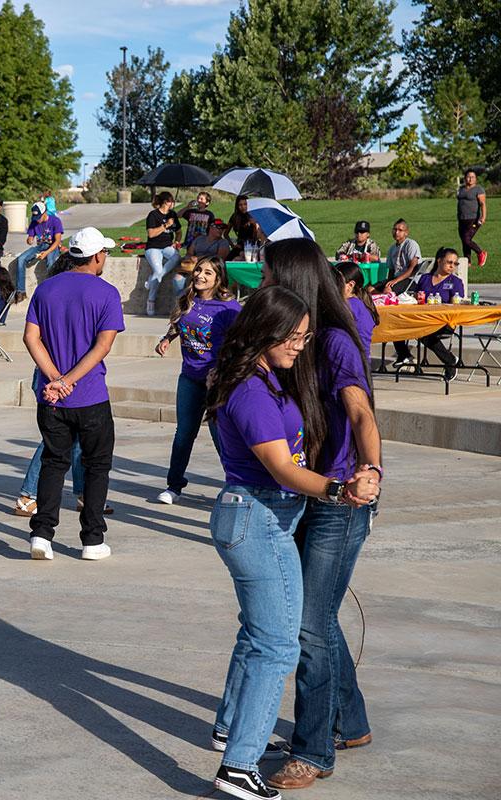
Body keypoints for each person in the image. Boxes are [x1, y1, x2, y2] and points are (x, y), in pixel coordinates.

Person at [206, 285, 377, 800]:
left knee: (261, 634)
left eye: (306, 336)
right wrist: (338, 489)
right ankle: (240, 765)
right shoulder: (253, 391)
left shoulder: (258, 378)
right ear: (267, 331)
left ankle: (229, 729)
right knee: (276, 647)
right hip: (258, 516)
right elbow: (280, 468)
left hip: (258, 517)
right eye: (295, 337)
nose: (301, 346)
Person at [257, 239, 384, 793]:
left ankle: (314, 748)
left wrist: (371, 469)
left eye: (269, 277)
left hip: (343, 500)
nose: (262, 286)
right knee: (321, 617)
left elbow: (360, 408)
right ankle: (349, 721)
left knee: (308, 623)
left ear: (295, 281)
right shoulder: (289, 341)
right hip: (309, 492)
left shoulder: (333, 343)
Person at [23, 227, 124, 561]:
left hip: (51, 397)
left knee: (54, 463)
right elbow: (103, 346)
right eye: (105, 253)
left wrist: (54, 378)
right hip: (90, 395)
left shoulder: (45, 289)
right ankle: (92, 540)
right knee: (97, 466)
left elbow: (30, 338)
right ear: (97, 256)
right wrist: (69, 380)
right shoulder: (107, 293)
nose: (105, 258)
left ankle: (42, 535)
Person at [153, 257, 241, 504]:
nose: (201, 275)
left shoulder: (229, 309)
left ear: (219, 279)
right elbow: (179, 325)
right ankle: (174, 486)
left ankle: (235, 484)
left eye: (208, 273)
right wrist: (167, 339)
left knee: (220, 435)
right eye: (199, 270)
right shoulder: (187, 300)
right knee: (184, 434)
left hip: (217, 383)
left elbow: (242, 343)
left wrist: (224, 371)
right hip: (189, 379)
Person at [389, 246, 465, 380]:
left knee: (424, 332)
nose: (452, 266)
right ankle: (404, 355)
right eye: (449, 262)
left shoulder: (455, 282)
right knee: (396, 322)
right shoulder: (424, 278)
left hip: (444, 321)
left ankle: (450, 360)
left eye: (455, 263)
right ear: (439, 261)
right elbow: (417, 298)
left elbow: (457, 305)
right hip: (423, 318)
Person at [12, 202, 63, 302]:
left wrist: (46, 252)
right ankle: (21, 291)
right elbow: (30, 237)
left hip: (52, 247)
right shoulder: (34, 221)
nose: (37, 220)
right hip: (40, 247)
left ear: (45, 213)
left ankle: (53, 290)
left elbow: (57, 241)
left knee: (50, 262)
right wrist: (29, 240)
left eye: (39, 217)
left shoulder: (55, 221)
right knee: (21, 259)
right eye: (36, 217)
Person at [144, 191, 182, 316]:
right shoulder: (153, 215)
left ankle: (152, 280)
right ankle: (151, 301)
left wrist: (176, 241)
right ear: (166, 202)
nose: (173, 204)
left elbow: (179, 231)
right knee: (157, 269)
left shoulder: (173, 214)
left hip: (167, 246)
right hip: (153, 248)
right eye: (172, 201)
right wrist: (166, 225)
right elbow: (151, 234)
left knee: (176, 256)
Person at [333, 260, 379, 356]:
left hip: (350, 363)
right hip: (358, 363)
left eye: (336, 281)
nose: (331, 285)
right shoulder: (359, 304)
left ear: (350, 285)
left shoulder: (350, 306)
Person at [380, 218, 421, 295]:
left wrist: (395, 281)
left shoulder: (411, 244)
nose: (396, 232)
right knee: (370, 289)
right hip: (396, 279)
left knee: (387, 291)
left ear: (406, 233)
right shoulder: (392, 248)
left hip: (410, 280)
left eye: (400, 230)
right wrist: (389, 282)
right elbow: (391, 271)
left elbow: (413, 269)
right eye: (395, 229)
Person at [457, 168, 487, 267]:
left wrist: (483, 217)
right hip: (462, 219)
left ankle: (480, 253)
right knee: (464, 241)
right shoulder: (461, 189)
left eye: (472, 177)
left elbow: (482, 204)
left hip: (473, 219)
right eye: (468, 177)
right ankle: (467, 262)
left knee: (467, 239)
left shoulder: (478, 189)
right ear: (465, 178)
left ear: (476, 179)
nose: (470, 179)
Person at [227, 194, 264, 261]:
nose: (243, 207)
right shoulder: (235, 217)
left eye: (245, 204)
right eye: (240, 205)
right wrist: (232, 245)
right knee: (228, 260)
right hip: (240, 245)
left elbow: (257, 236)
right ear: (237, 206)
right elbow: (225, 234)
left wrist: (255, 224)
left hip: (254, 245)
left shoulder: (253, 215)